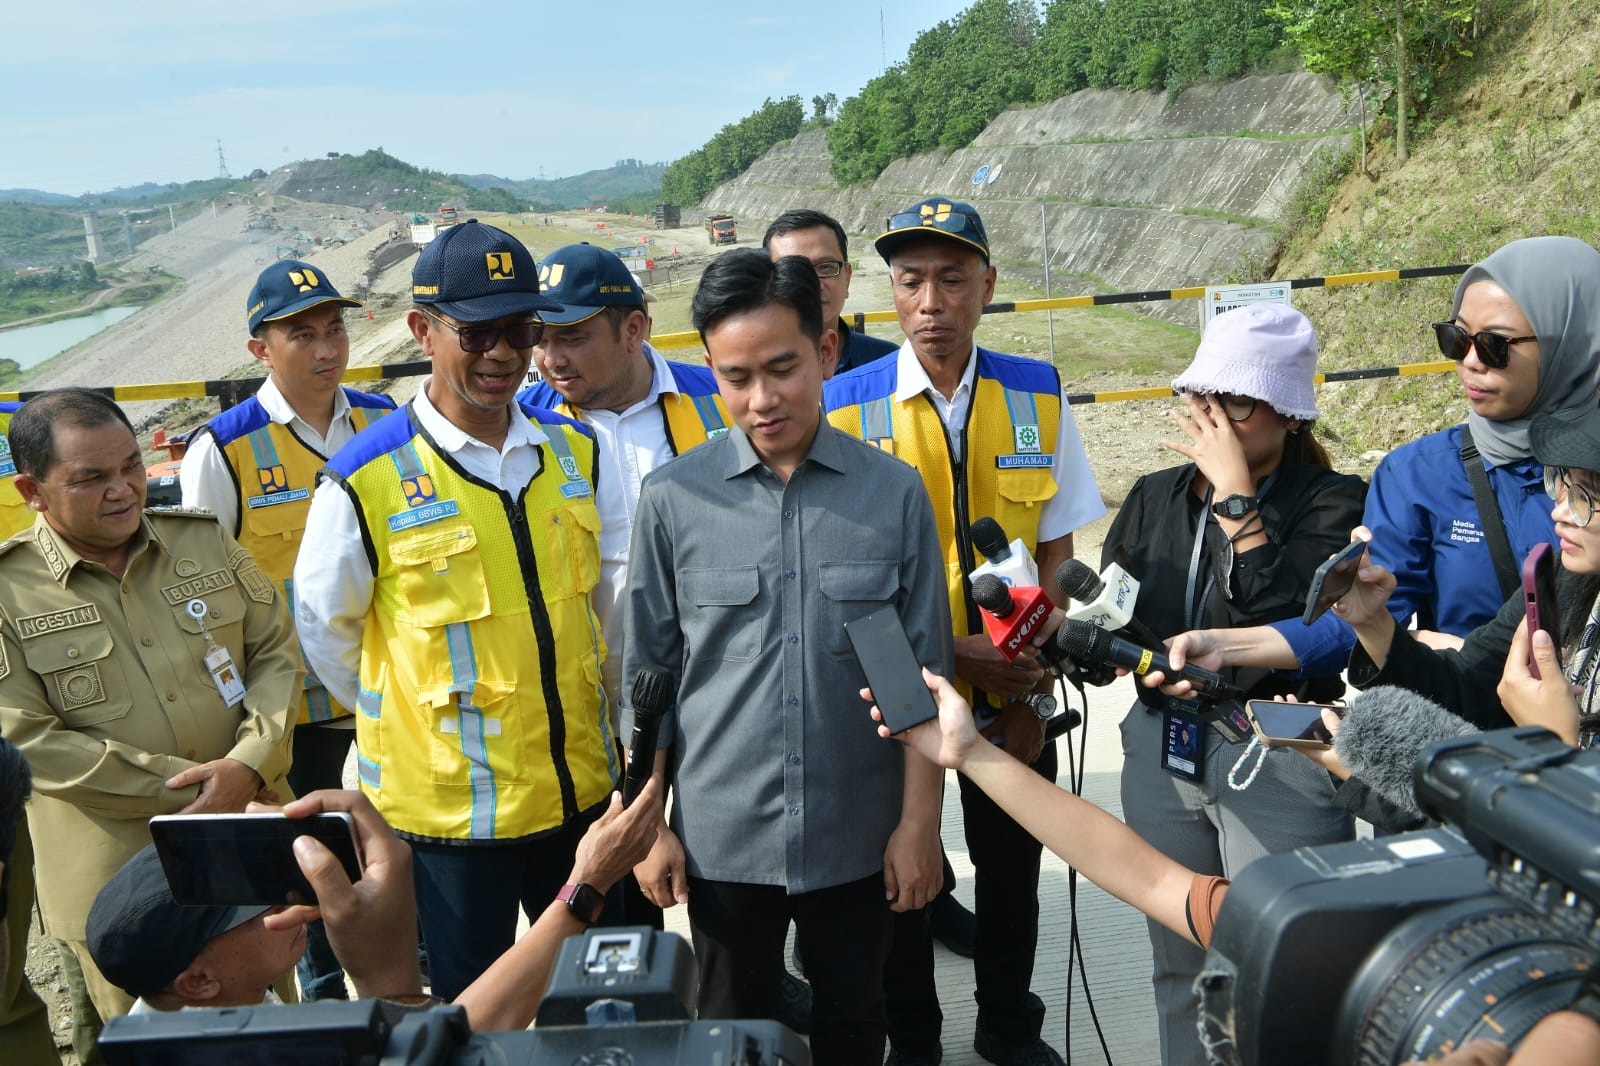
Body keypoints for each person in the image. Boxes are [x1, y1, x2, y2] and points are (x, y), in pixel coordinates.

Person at [622, 249, 952, 1065]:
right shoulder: (673, 500)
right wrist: (647, 826)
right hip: (723, 838)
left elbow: (924, 682)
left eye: (782, 368)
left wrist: (919, 827)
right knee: (732, 1031)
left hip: (859, 832)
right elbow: (647, 682)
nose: (762, 399)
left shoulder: (893, 494)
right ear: (711, 372)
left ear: (826, 351)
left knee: (855, 1023)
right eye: (736, 377)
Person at [293, 220, 618, 1002]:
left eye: (521, 329)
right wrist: (418, 727)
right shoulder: (365, 479)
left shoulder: (573, 451)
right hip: (451, 826)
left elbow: (603, 614)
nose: (503, 354)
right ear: (422, 331)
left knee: (601, 1008)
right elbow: (329, 635)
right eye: (477, 333)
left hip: (578, 794)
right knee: (475, 1018)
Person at [823, 197, 1105, 1066]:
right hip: (895, 696)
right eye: (911, 281)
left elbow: (1055, 550)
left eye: (952, 279)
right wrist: (948, 654)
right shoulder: (845, 405)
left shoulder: (1037, 393)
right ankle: (915, 1040)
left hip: (1013, 691)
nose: (931, 302)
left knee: (1013, 875)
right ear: (890, 293)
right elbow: (835, 582)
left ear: (988, 285)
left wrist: (1033, 680)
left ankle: (1008, 1027)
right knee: (903, 879)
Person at [1101, 303, 1366, 1066]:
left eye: (1238, 402)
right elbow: (1115, 611)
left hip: (1281, 741)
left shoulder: (1334, 500)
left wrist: (1235, 498)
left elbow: (1286, 617)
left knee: (1286, 961)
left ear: (1289, 413)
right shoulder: (1153, 495)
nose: (1212, 417)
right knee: (1181, 960)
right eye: (1202, 396)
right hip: (1163, 737)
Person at [0, 388, 301, 1034]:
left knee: (280, 1033)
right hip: (121, 882)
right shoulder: (7, 591)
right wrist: (200, 792)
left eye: (132, 465)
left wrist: (249, 764)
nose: (123, 489)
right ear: (32, 491)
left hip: (246, 839)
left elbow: (276, 654)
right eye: (92, 478)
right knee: (149, 1046)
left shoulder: (203, 541)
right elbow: (27, 739)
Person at [1170, 236, 1600, 677]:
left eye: (1494, 344)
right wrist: (1223, 646)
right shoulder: (1419, 473)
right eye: (1456, 339)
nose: (1471, 362)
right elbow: (1365, 619)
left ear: (1574, 342)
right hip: (1470, 712)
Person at [180, 259, 396, 1002]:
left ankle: (407, 973)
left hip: (389, 687)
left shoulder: (384, 421)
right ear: (260, 350)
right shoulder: (225, 448)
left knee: (397, 842)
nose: (327, 347)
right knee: (307, 860)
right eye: (302, 334)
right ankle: (326, 994)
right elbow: (200, 589)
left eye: (334, 328)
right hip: (291, 706)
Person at [87, 781, 659, 1032]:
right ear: (198, 982)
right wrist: (388, 979)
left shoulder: (203, 1017)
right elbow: (446, 1047)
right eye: (251, 910)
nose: (285, 900)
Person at [517, 242, 730, 730]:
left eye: (571, 337)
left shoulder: (721, 400)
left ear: (634, 329)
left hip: (713, 684)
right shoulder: (523, 428)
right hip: (581, 703)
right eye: (539, 339)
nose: (551, 359)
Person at [763, 209, 898, 376]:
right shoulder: (744, 368)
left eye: (826, 267)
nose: (814, 284)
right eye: (793, 271)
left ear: (847, 278)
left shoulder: (889, 364)